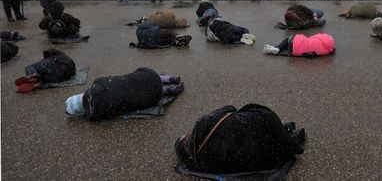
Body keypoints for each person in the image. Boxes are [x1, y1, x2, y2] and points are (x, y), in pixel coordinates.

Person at [174, 104, 305, 175]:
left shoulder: (206, 164)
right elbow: (229, 108)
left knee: (260, 139)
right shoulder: (201, 126)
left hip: (264, 156)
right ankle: (283, 130)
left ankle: (285, 137)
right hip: (265, 122)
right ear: (184, 139)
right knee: (244, 114)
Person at [65, 67, 184, 121]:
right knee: (140, 78)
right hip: (149, 77)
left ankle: (168, 90)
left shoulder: (96, 114)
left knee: (142, 91)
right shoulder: (98, 82)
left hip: (152, 97)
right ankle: (168, 79)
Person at [263, 33, 335, 57]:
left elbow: (313, 36)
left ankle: (278, 48)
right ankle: (279, 49)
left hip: (295, 41)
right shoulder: (326, 51)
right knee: (290, 46)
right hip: (295, 52)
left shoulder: (319, 38)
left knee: (288, 39)